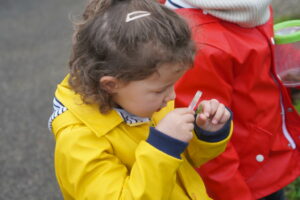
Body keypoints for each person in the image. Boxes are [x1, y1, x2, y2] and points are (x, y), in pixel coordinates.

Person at [48, 0, 233, 199]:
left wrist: (205, 133)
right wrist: (163, 146)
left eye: (173, 85)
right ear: (111, 85)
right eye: (160, 90)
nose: (172, 96)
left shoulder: (140, 101)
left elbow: (181, 163)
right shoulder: (79, 142)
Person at [163, 0, 300, 200]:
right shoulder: (200, 46)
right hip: (241, 178)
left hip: (265, 158)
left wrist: (288, 69)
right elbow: (205, 146)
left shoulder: (247, 8)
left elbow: (252, 62)